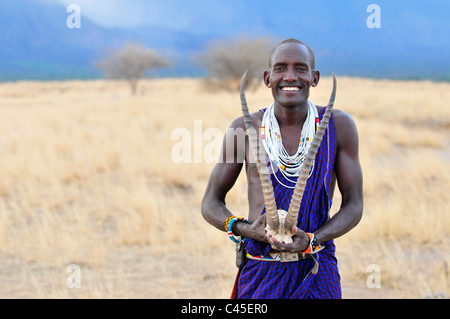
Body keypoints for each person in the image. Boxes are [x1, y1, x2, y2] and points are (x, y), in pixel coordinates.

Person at [201, 38, 363, 299]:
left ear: (314, 77)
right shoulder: (244, 128)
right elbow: (210, 201)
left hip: (316, 268)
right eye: (280, 68)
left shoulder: (338, 126)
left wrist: (313, 239)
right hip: (260, 269)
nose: (290, 76)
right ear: (267, 78)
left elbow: (354, 205)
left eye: (300, 68)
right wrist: (244, 229)